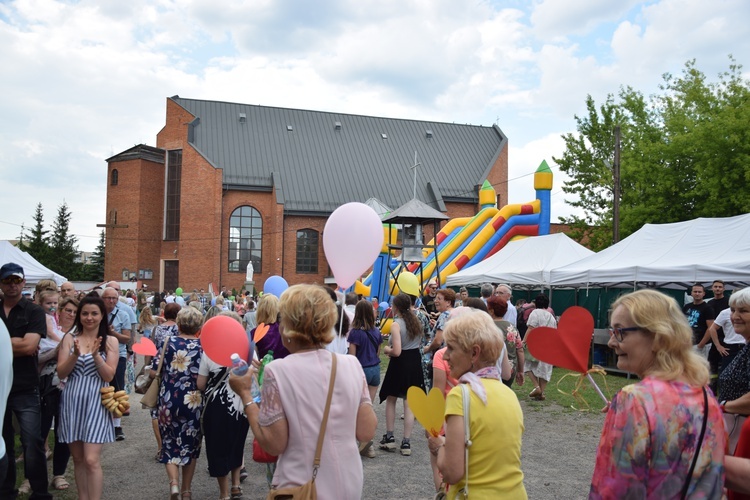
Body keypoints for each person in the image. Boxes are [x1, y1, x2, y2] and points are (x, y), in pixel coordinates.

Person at [229, 284, 377, 498]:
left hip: (301, 483)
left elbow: (273, 443)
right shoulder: (351, 365)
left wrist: (246, 395)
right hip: (348, 479)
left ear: (289, 326)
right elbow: (366, 431)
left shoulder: (277, 372)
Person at [590, 289, 725, 498]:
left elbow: (616, 490)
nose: (611, 342)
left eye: (620, 332)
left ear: (657, 336)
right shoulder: (704, 395)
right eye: (611, 331)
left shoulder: (634, 399)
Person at [426, 309, 526, 499]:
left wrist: (439, 446)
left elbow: (452, 472)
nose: (446, 356)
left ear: (474, 353)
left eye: (452, 349)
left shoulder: (461, 395)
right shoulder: (508, 394)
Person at [57, 294, 119, 500]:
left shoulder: (110, 341)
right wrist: (75, 354)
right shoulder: (69, 338)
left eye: (94, 313)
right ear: (79, 316)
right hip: (72, 400)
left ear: (102, 315)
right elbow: (61, 373)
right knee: (78, 458)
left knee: (91, 459)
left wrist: (95, 356)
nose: (89, 317)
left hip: (96, 402)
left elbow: (109, 375)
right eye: (85, 313)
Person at [0, 262, 53, 500]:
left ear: (23, 283)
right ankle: (6, 490)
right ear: (1, 283)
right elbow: (22, 345)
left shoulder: (34, 311)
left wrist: (5, 344)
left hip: (24, 386)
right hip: (1, 387)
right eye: (7, 281)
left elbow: (31, 345)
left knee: (32, 441)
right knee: (3, 443)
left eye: (16, 280)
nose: (12, 285)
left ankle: (40, 493)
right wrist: (17, 343)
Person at [150, 306, 203, 500]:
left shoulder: (168, 342)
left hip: (168, 399)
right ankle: (186, 490)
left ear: (178, 324)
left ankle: (174, 484)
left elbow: (153, 371)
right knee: (191, 444)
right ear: (199, 325)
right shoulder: (203, 346)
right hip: (193, 401)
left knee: (169, 442)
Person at [197, 311, 250, 500]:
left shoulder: (209, 352)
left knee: (218, 447)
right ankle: (236, 485)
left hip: (217, 406)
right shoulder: (248, 350)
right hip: (241, 405)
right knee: (237, 443)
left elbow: (201, 384)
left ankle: (224, 493)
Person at [379, 293, 426, 456]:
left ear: (396, 307)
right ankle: (406, 441)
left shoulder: (396, 324)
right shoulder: (416, 321)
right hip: (414, 361)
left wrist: (387, 349)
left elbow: (397, 351)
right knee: (409, 402)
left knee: (391, 399)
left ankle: (390, 437)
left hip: (400, 363)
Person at [40, 296, 78, 491]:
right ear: (60, 311)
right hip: (46, 386)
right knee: (40, 431)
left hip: (69, 388)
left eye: (74, 312)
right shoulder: (47, 331)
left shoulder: (78, 335)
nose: (71, 314)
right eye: (68, 310)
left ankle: (58, 474)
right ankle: (33, 477)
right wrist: (55, 352)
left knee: (64, 432)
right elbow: (36, 359)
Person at [347, 300, 383, 459]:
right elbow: (377, 353)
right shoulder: (376, 331)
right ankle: (369, 445)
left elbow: (352, 357)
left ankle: (358, 443)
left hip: (361, 371)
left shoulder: (355, 333)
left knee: (355, 409)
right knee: (368, 408)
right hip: (375, 370)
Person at [101, 287, 131, 441]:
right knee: (101, 389)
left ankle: (117, 426)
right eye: (108, 298)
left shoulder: (122, 315)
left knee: (117, 389)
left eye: (114, 298)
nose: (111, 301)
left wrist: (112, 333)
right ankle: (101, 422)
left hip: (118, 355)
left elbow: (127, 338)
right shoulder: (97, 313)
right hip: (99, 354)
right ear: (103, 299)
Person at [487, 295, 525, 387]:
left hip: (490, 369)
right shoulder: (511, 327)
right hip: (510, 368)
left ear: (491, 311)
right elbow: (519, 350)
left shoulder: (486, 327)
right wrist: (521, 371)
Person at [525, 294, 556, 401]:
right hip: (549, 345)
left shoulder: (535, 313)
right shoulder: (551, 316)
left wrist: (523, 341)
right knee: (545, 369)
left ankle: (537, 387)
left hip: (536, 344)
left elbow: (531, 328)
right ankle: (541, 393)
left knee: (527, 365)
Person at [251, 294, 289, 359]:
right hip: (285, 367)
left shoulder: (255, 332)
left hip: (265, 366)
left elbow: (253, 358)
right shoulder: (286, 330)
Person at [683, 283, 716, 353]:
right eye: (695, 291)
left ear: (703, 293)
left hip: (701, 344)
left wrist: (701, 345)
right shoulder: (687, 307)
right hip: (687, 343)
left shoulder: (708, 308)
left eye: (699, 292)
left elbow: (710, 328)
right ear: (691, 293)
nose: (697, 294)